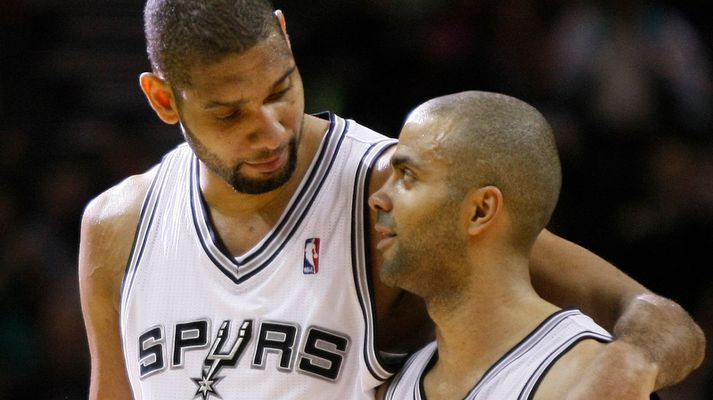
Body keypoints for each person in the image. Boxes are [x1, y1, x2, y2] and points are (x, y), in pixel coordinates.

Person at [77, 1, 705, 399]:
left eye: (280, 89)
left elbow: (651, 313)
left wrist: (628, 366)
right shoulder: (117, 227)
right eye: (230, 113)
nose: (271, 129)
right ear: (164, 101)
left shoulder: (388, 189)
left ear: (286, 40)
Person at [370, 91, 649, 399]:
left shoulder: (594, 379)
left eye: (407, 176)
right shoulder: (394, 387)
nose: (378, 198)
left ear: (481, 210)